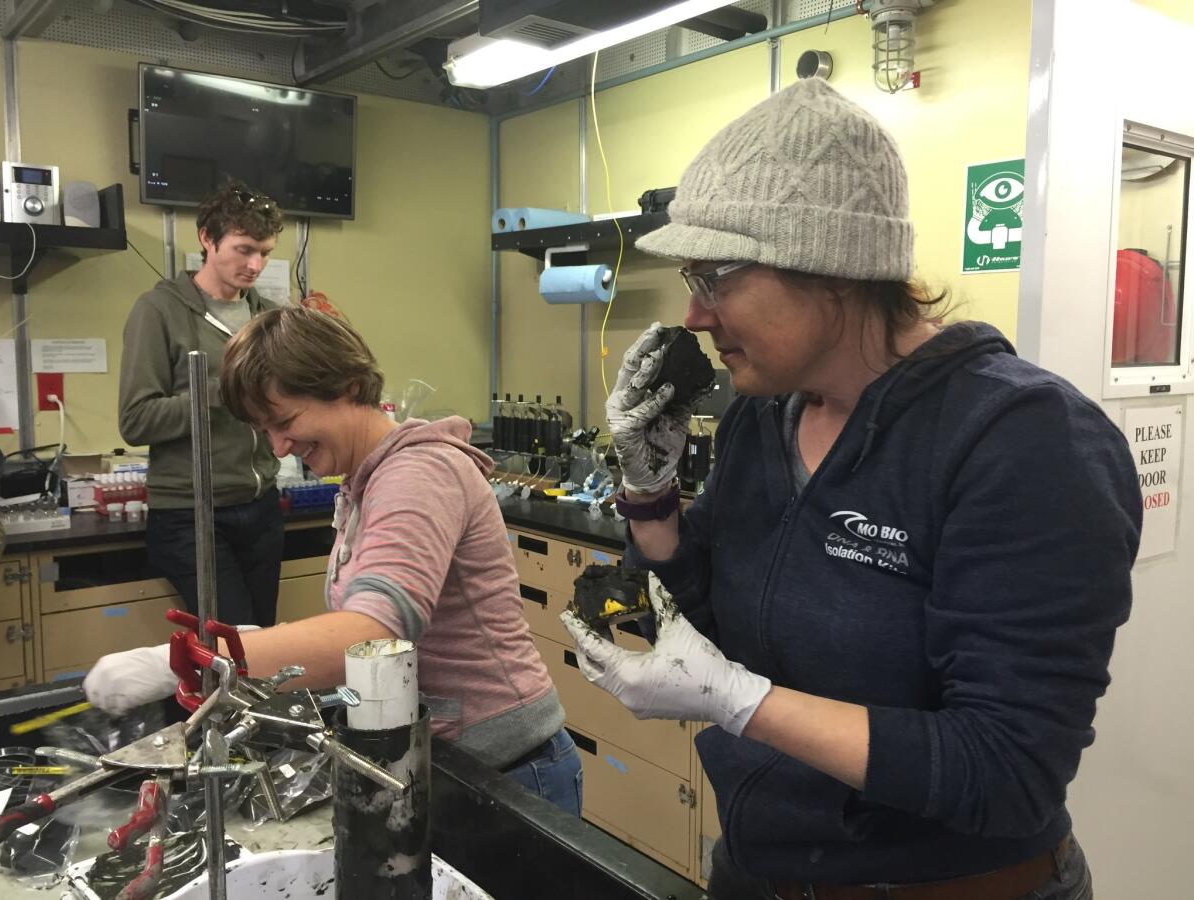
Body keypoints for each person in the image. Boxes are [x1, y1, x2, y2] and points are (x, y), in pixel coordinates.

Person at [561, 78, 1141, 900]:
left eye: (716, 275)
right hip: (760, 869)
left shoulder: (1023, 441)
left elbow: (1008, 770)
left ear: (833, 265)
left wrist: (741, 702)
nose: (694, 314)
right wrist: (651, 501)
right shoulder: (762, 419)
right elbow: (713, 634)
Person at [87, 307, 582, 816]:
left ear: (346, 386)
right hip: (441, 758)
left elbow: (369, 638)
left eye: (284, 421)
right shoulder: (362, 481)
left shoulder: (418, 473)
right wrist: (266, 645)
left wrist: (200, 660)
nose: (279, 446)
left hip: (508, 774)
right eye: (265, 430)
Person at [119, 181, 285, 627]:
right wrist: (220, 391)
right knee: (233, 644)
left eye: (265, 252)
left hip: (262, 504)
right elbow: (136, 421)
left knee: (263, 641)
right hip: (192, 514)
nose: (255, 265)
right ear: (206, 239)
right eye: (244, 249)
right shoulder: (158, 312)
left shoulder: (267, 315)